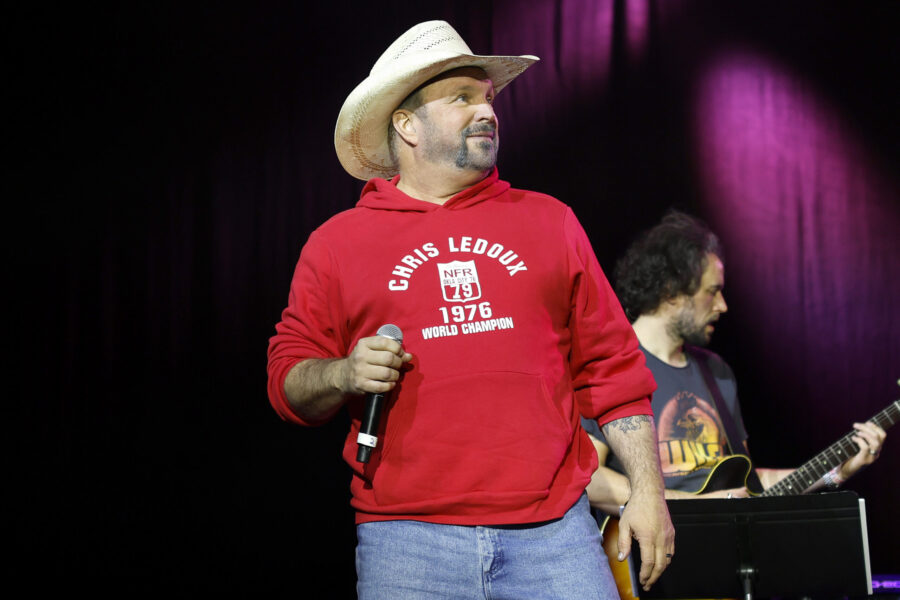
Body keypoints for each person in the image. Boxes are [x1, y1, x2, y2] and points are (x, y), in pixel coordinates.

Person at [267, 20, 673, 599]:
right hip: (407, 542)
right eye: (461, 98)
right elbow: (287, 381)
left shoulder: (549, 221)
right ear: (405, 125)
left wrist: (648, 494)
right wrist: (342, 373)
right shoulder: (337, 243)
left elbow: (612, 370)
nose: (488, 112)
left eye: (487, 98)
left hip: (555, 538)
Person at [582, 210, 887, 519]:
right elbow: (590, 481)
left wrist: (836, 471)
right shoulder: (610, 364)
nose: (723, 305)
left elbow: (749, 486)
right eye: (712, 291)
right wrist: (699, 506)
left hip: (720, 550)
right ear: (671, 292)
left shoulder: (716, 372)